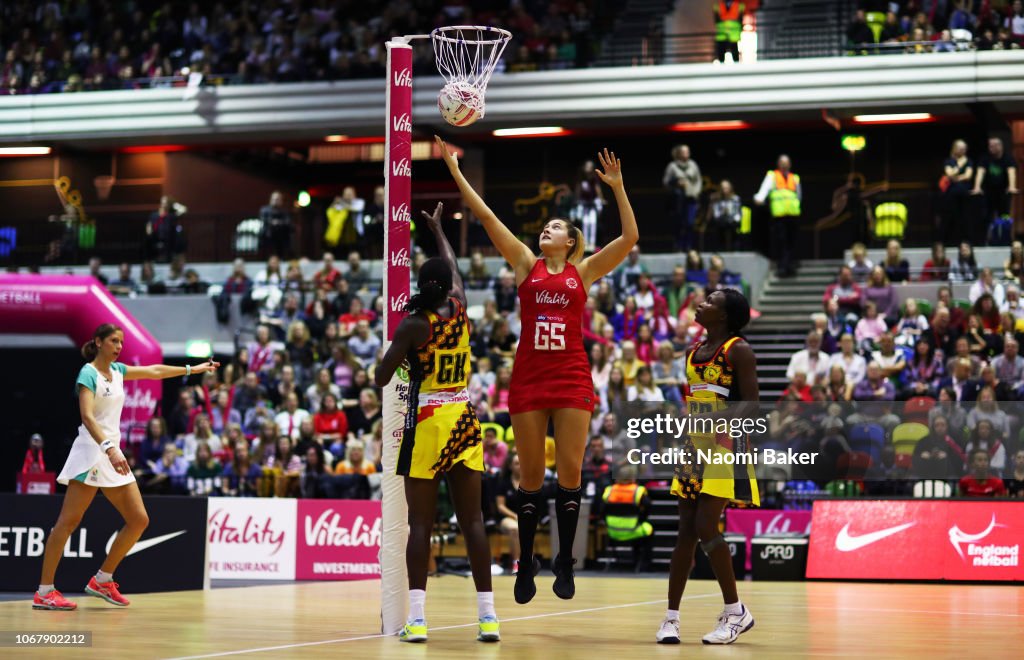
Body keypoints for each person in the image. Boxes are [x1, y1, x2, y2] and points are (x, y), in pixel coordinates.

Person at [438, 138, 638, 605]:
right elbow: (487, 216)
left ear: (570, 241)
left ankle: (564, 560)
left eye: (554, 228)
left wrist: (618, 187)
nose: (544, 231)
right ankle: (526, 560)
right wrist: (452, 168)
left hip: (571, 377)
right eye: (544, 227)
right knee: (529, 479)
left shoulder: (583, 271)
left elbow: (629, 239)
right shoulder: (525, 264)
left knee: (569, 473)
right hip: (528, 378)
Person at [374, 202, 499, 643]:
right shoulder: (461, 308)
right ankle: (488, 617)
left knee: (421, 525)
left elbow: (381, 377)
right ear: (447, 288)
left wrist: (405, 358)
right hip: (463, 418)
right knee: (474, 524)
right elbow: (454, 269)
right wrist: (438, 230)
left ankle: (420, 619)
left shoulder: (412, 324)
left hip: (426, 421)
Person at [34, 324, 218, 611]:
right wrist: (110, 448)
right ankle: (45, 591)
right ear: (98, 342)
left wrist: (192, 370)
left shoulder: (118, 371)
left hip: (112, 453)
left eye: (121, 341)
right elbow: (87, 417)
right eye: (113, 341)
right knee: (67, 523)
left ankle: (102, 580)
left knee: (139, 519)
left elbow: (154, 371)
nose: (119, 346)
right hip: (93, 453)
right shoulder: (88, 373)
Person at [658, 289, 759, 645]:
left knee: (704, 524)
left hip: (725, 443)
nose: (699, 304)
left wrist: (720, 424)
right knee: (685, 530)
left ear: (724, 315)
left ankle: (735, 611)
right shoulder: (693, 352)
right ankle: (671, 619)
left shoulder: (738, 350)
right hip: (693, 444)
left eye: (709, 302)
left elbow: (752, 403)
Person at [754, 155, 802, 277]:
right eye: (782, 163)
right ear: (778, 164)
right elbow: (764, 190)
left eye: (787, 163)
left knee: (792, 242)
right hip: (779, 215)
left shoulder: (794, 178)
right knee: (781, 242)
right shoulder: (772, 176)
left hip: (793, 214)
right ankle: (782, 267)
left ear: (790, 164)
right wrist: (759, 198)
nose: (784, 165)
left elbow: (799, 196)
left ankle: (790, 266)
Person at [972, 137, 1019, 231]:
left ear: (1000, 146)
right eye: (990, 146)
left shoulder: (1008, 158)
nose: (991, 148)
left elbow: (1011, 173)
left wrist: (1012, 186)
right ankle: (985, 239)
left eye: (994, 146)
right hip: (988, 191)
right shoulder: (985, 158)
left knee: (1005, 215)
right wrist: (977, 187)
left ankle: (1005, 237)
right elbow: (980, 173)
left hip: (1003, 191)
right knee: (986, 215)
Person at [663, 145, 702, 251]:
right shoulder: (672, 166)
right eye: (684, 151)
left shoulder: (693, 165)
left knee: (690, 223)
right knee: (679, 224)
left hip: (691, 198)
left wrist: (696, 192)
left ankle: (688, 246)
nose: (687, 153)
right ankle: (678, 246)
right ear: (679, 153)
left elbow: (698, 180)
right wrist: (676, 182)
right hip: (678, 199)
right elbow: (666, 182)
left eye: (688, 151)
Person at [940, 140, 974, 246]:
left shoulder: (969, 161)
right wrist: (960, 165)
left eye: (964, 148)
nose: (963, 150)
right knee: (950, 219)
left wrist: (956, 177)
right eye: (960, 148)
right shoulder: (948, 161)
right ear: (954, 148)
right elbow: (949, 174)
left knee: (965, 219)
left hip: (964, 196)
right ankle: (947, 242)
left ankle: (966, 243)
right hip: (951, 196)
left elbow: (968, 176)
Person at [259, 190, 292, 258]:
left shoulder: (284, 211)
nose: (276, 201)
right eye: (274, 199)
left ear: (281, 200)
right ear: (271, 199)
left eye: (278, 199)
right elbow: (263, 219)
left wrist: (278, 223)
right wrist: (272, 222)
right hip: (268, 237)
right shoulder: (265, 210)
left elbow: (288, 222)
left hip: (281, 238)